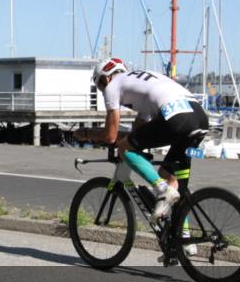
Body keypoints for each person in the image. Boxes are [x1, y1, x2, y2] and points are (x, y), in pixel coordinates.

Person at [77, 58, 209, 223]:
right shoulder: (140, 81)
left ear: (105, 78)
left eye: (100, 87)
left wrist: (87, 133)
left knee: (125, 149)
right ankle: (186, 243)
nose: (103, 91)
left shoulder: (112, 86)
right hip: (200, 117)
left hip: (176, 117)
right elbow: (138, 134)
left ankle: (161, 189)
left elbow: (110, 136)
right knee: (172, 181)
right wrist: (126, 140)